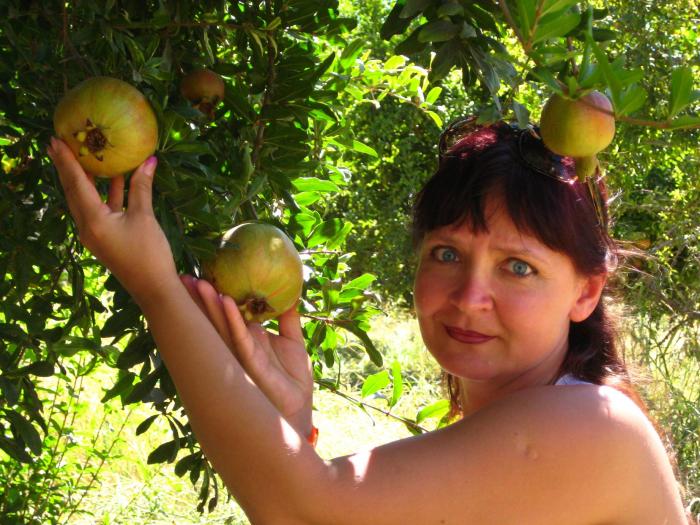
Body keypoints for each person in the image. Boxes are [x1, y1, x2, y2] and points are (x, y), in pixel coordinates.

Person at [47, 115, 691, 525]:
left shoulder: (594, 428)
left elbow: (307, 513)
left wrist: (157, 289)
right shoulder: (509, 432)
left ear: (586, 293)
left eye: (518, 267)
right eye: (447, 253)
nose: (470, 296)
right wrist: (294, 426)